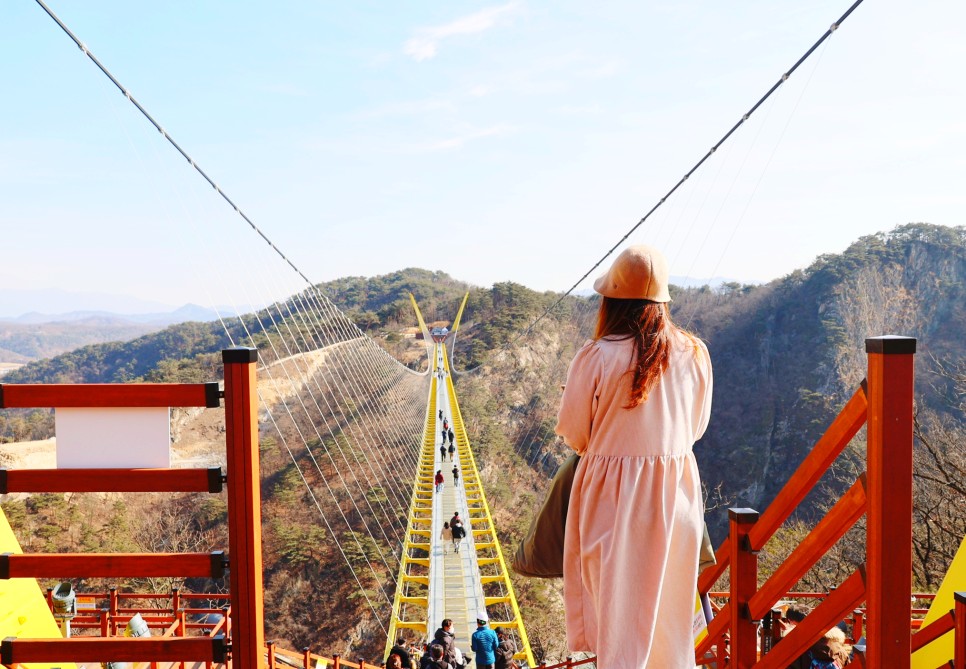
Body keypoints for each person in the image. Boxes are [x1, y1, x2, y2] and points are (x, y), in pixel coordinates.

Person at [555, 245, 713, 668]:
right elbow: (695, 428)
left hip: (612, 497)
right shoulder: (695, 353)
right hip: (676, 496)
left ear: (611, 300)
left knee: (619, 618)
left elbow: (574, 432)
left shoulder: (597, 356)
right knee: (669, 618)